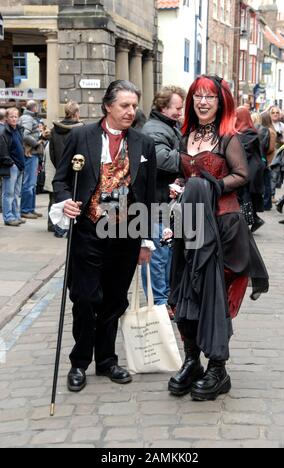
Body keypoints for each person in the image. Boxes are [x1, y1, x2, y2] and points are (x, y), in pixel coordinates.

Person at [166, 75, 269, 401]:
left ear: (220, 101)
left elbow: (242, 175)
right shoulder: (185, 136)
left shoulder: (229, 138)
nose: (203, 102)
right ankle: (192, 360)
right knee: (187, 292)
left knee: (214, 295)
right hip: (190, 224)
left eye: (210, 97)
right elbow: (184, 175)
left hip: (223, 227)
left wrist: (212, 186)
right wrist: (180, 187)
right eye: (198, 96)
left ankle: (217, 367)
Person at [52, 80, 157, 392]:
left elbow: (148, 194)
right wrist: (64, 201)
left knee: (114, 300)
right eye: (124, 105)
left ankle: (107, 360)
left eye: (134, 106)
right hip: (88, 230)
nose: (130, 111)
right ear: (108, 106)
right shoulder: (81, 136)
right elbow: (61, 179)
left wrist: (146, 238)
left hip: (126, 233)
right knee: (85, 297)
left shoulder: (143, 143)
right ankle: (79, 361)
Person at [142, 86, 186, 319]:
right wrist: (193, 157)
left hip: (169, 203)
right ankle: (159, 301)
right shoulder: (154, 129)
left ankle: (166, 299)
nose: (180, 112)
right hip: (157, 203)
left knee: (168, 254)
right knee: (157, 255)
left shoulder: (168, 126)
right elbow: (163, 160)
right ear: (163, 107)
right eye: (177, 108)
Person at [48, 101, 84, 237]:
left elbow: (51, 152)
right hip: (77, 169)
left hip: (60, 167)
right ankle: (71, 229)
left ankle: (58, 228)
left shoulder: (54, 130)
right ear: (76, 113)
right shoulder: (81, 130)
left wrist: (59, 165)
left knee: (59, 197)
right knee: (74, 199)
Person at [235, 106, 265, 233]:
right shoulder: (244, 132)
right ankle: (252, 219)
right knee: (245, 195)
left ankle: (249, 220)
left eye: (236, 116)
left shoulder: (249, 133)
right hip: (248, 169)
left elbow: (243, 151)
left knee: (246, 195)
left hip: (251, 170)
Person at [0, 107, 25, 226]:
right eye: (11, 117)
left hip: (20, 166)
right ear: (6, 118)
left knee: (16, 194)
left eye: (16, 116)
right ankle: (8, 217)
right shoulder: (4, 131)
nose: (14, 119)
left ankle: (16, 215)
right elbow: (3, 151)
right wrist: (11, 163)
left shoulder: (18, 130)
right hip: (11, 166)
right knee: (8, 193)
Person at [19, 100, 43, 219]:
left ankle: (30, 209)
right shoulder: (28, 118)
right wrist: (36, 144)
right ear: (34, 108)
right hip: (30, 154)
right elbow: (25, 135)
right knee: (29, 183)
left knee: (32, 184)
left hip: (33, 154)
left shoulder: (29, 117)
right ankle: (25, 210)